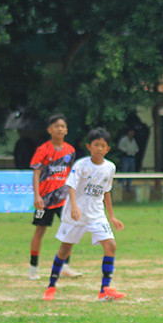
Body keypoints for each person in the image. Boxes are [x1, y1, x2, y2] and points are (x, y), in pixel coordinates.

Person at [43, 128, 125, 302]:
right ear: (89, 146)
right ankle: (51, 286)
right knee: (65, 249)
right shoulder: (81, 164)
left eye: (103, 146)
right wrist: (74, 206)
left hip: (96, 214)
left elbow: (106, 191)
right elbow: (71, 186)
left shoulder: (110, 167)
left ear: (108, 149)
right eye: (96, 145)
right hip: (76, 214)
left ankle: (105, 289)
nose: (99, 149)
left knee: (111, 245)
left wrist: (111, 216)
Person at [29, 115, 82, 280]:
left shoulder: (70, 151)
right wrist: (37, 196)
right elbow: (36, 173)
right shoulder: (43, 150)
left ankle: (65, 266)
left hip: (63, 199)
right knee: (40, 230)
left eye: (63, 126)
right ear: (49, 130)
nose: (60, 129)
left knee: (71, 229)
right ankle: (33, 267)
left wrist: (74, 200)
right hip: (45, 199)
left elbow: (71, 176)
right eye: (56, 126)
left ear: (66, 130)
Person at [117, 128, 139, 192]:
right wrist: (126, 151)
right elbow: (120, 147)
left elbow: (136, 148)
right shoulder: (124, 139)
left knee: (131, 172)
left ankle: (128, 186)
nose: (132, 133)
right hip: (125, 157)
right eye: (131, 132)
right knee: (124, 171)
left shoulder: (133, 140)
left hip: (132, 157)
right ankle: (120, 187)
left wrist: (134, 151)